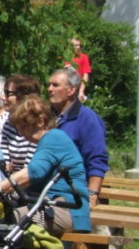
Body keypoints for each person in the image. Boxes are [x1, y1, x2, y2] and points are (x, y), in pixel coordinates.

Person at [0, 95, 91, 249]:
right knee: (3, 224)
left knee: (4, 223)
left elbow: (34, 172)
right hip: (58, 207)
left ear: (40, 121)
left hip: (69, 209)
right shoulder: (51, 139)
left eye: (24, 126)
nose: (21, 133)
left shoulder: (54, 137)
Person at [46, 67, 108, 207]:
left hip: (72, 192)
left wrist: (92, 194)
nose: (49, 89)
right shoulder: (45, 116)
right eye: (49, 85)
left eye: (55, 85)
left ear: (71, 90)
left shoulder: (87, 118)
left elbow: (97, 158)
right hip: (44, 189)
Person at [0, 74, 41, 173]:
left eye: (8, 93)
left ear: (23, 96)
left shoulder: (37, 125)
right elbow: (3, 156)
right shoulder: (8, 123)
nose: (3, 97)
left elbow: (30, 168)